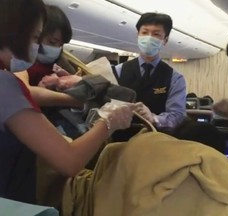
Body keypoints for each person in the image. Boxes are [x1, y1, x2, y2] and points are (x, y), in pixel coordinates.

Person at [0, 0, 133, 204]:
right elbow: (69, 161)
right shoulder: (5, 84)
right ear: (14, 31)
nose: (36, 46)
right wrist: (109, 122)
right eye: (36, 37)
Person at [113, 12, 186, 132]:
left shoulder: (175, 78)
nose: (149, 38)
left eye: (156, 34)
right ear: (138, 35)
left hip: (155, 141)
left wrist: (153, 118)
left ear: (165, 40)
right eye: (145, 33)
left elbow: (177, 116)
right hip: (119, 139)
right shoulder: (118, 70)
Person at [15, 5, 82, 108]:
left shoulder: (61, 64)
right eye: (53, 42)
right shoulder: (18, 60)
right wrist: (76, 101)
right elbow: (26, 93)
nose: (57, 49)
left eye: (61, 45)